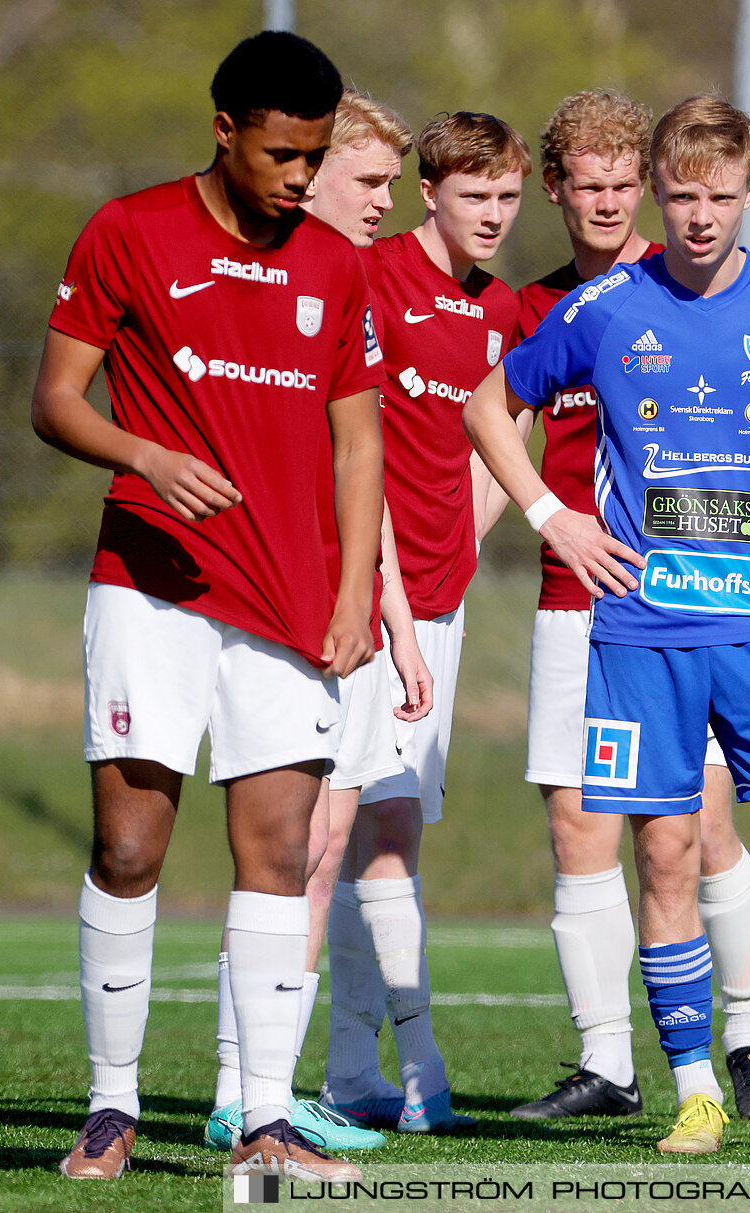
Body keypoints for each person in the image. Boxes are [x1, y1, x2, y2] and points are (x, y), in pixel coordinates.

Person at [465, 93, 750, 1156]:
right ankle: (693, 1089)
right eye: (680, 195)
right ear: (656, 193)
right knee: (667, 856)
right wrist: (554, 516)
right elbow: (486, 408)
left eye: (720, 196)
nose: (699, 217)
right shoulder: (603, 309)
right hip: (640, 638)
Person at [35, 31, 382, 1181]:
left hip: (289, 601)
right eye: (285, 154)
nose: (301, 178)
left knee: (279, 854)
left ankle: (269, 1116)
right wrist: (145, 457)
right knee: (129, 847)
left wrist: (354, 591)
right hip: (153, 590)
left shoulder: (335, 264)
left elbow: (358, 442)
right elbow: (54, 400)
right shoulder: (127, 231)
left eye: (318, 156)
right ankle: (112, 1106)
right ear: (224, 130)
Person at [505, 87, 750, 1124]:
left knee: (701, 828)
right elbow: (487, 433)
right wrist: (545, 519)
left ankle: (749, 1037)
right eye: (589, 184)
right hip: (571, 606)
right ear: (557, 190)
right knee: (582, 827)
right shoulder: (533, 310)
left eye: (630, 184)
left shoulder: (691, 288)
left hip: (696, 604)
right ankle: (608, 1065)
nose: (609, 201)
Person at [204, 86, 425, 1157]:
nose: (386, 200)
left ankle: (268, 1091)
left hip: (346, 605)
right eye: (369, 179)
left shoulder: (350, 285)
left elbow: (363, 472)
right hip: (273, 601)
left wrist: (391, 607)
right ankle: (243, 1090)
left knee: (324, 841)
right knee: (286, 845)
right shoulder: (265, 279)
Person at [315, 111, 533, 1134]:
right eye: (473, 196)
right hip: (358, 599)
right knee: (335, 832)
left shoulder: (504, 315)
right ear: (431, 192)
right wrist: (391, 581)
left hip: (438, 606)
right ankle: (408, 1062)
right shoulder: (373, 275)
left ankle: (355, 1073)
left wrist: (477, 530)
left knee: (390, 831)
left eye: (507, 198)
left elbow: (507, 429)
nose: (492, 216)